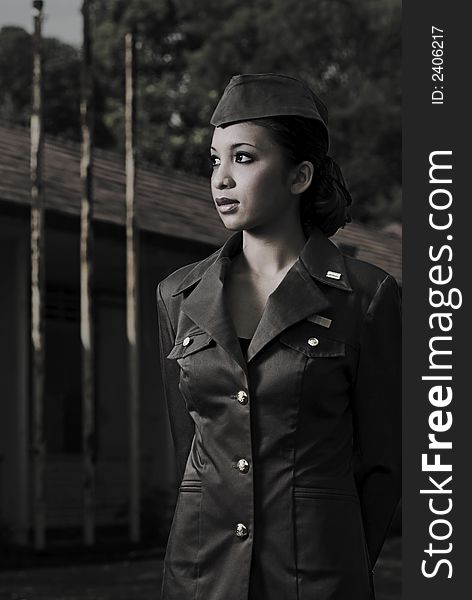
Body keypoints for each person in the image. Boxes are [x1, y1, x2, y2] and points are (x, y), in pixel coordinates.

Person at [156, 73, 401, 600]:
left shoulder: (366, 296)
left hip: (317, 574)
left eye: (243, 158)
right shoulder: (178, 295)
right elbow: (189, 449)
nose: (221, 178)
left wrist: (338, 559)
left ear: (299, 176)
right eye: (214, 159)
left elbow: (382, 466)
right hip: (202, 574)